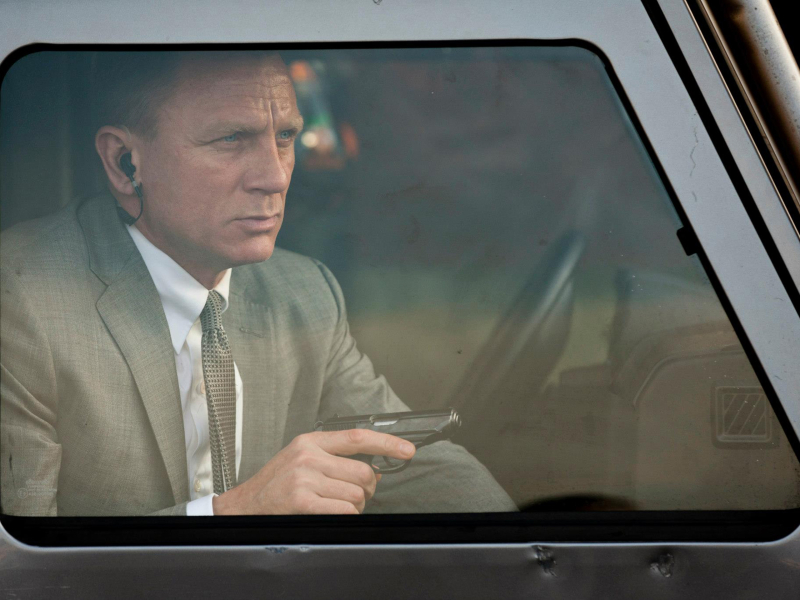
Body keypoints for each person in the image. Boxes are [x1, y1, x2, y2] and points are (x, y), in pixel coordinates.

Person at [0, 51, 516, 516]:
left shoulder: (304, 292)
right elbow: (17, 564)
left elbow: (423, 468)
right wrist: (231, 515)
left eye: (285, 137)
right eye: (231, 139)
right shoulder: (21, 299)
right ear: (124, 161)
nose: (275, 176)